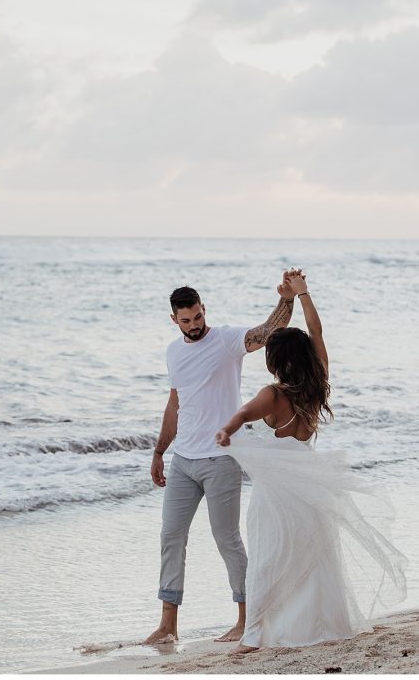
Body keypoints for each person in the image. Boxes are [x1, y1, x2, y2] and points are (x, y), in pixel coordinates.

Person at [216, 271, 406, 653]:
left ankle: (255, 634)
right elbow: (317, 335)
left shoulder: (271, 394)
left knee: (270, 557)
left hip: (278, 494)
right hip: (312, 482)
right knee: (316, 559)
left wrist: (224, 433)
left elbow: (239, 416)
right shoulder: (316, 384)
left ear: (274, 360)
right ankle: (321, 625)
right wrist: (302, 295)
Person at [145, 275, 297, 645]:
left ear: (203, 310)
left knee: (226, 538)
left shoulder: (226, 341)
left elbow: (267, 332)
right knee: (170, 536)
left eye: (197, 317)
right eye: (186, 321)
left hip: (221, 459)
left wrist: (288, 299)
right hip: (183, 459)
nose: (194, 325)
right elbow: (175, 403)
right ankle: (168, 625)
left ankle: (246, 619)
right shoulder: (174, 352)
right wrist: (160, 450)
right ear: (174, 320)